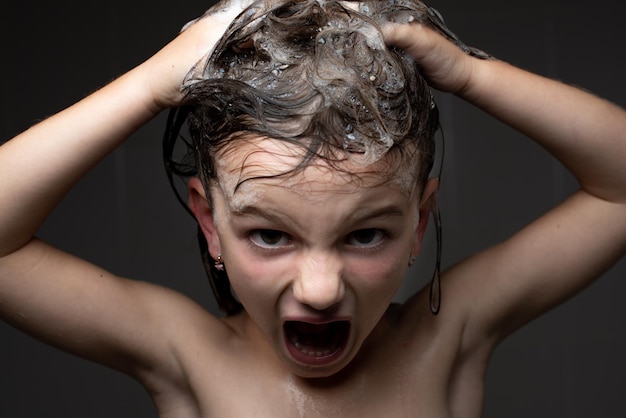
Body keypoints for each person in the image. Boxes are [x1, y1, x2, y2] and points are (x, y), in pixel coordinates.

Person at [1, 0, 625, 417]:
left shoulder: (449, 335)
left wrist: (468, 75)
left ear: (420, 222)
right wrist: (152, 82)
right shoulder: (184, 354)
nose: (321, 290)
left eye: (366, 236)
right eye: (271, 236)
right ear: (210, 223)